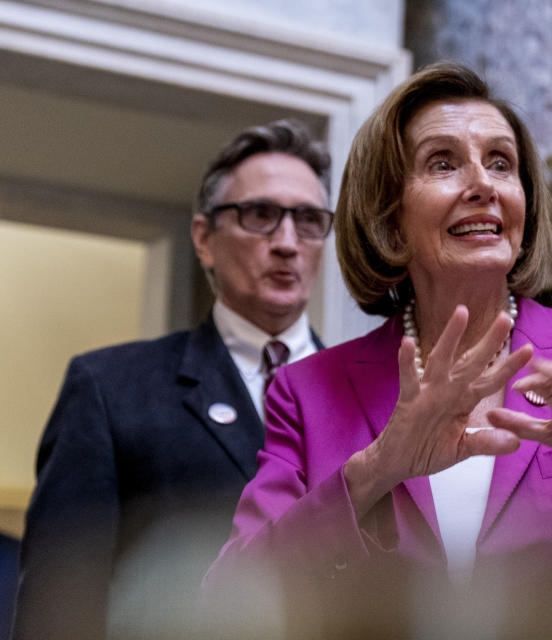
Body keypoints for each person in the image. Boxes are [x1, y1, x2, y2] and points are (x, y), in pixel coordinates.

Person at [204, 62, 552, 639]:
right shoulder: (307, 393)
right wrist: (374, 472)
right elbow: (226, 613)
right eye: (443, 162)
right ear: (391, 221)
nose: (482, 185)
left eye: (501, 163)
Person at [13, 119, 331, 640]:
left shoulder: (373, 395)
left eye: (311, 220)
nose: (288, 242)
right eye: (260, 215)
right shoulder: (109, 388)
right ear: (204, 239)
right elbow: (58, 604)